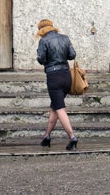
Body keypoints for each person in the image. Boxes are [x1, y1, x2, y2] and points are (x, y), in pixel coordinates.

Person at [36, 19, 78, 151]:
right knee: (54, 107)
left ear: (41, 30)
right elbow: (72, 55)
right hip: (66, 76)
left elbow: (42, 59)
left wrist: (40, 58)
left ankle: (72, 137)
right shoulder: (65, 38)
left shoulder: (43, 41)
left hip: (54, 77)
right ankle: (46, 136)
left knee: (60, 109)